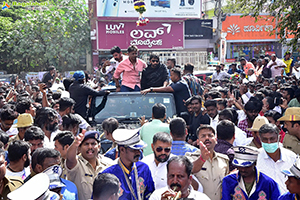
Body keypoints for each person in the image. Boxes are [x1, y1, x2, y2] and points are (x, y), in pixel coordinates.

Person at [101, 129, 155, 200]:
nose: (138, 153)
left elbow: (150, 194)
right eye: (134, 150)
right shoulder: (108, 174)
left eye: (139, 149)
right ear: (122, 149)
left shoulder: (144, 168)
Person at [66, 131, 113, 200]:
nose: (90, 147)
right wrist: (75, 144)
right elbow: (70, 158)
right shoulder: (76, 165)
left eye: (93, 144)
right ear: (79, 148)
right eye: (86, 144)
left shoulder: (108, 163)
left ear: (99, 146)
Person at [187, 124, 229, 200]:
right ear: (197, 141)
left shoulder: (224, 159)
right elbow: (191, 169)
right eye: (203, 136)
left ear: (216, 140)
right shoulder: (190, 157)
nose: (207, 138)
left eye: (210, 135)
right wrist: (202, 158)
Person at [256, 124, 296, 194]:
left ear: (279, 138)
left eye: (272, 139)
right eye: (265, 139)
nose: (269, 142)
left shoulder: (291, 157)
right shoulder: (255, 158)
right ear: (260, 140)